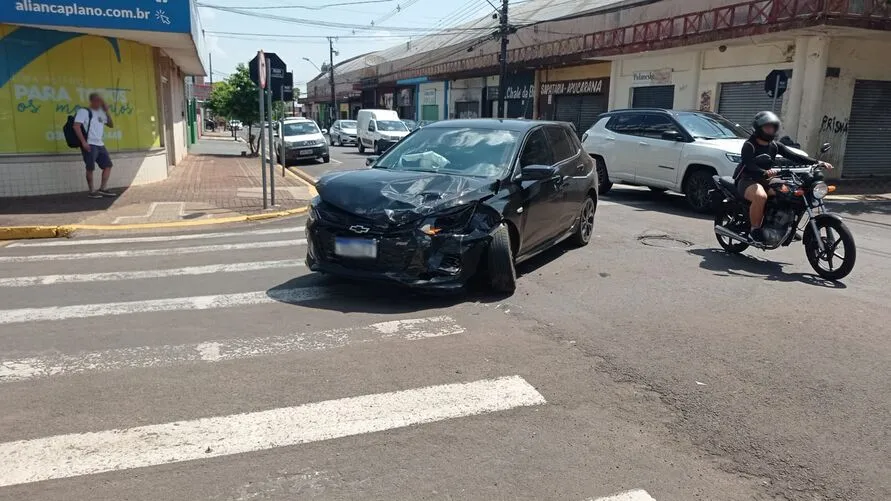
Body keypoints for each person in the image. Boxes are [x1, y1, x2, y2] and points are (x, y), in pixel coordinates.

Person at [736, 111, 831, 242]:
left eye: (772, 127)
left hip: (765, 181)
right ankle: (754, 230)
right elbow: (749, 164)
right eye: (766, 127)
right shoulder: (749, 145)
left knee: (787, 194)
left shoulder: (774, 145)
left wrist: (817, 162)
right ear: (759, 128)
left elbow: (794, 156)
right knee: (761, 196)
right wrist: (763, 171)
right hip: (747, 180)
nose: (770, 130)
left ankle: (783, 227)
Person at [73, 93, 117, 198]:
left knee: (108, 165)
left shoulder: (101, 113)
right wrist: (83, 142)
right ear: (92, 101)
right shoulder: (84, 111)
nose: (100, 103)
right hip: (89, 143)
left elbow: (111, 124)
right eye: (98, 100)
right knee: (90, 167)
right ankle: (92, 191)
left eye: (101, 101)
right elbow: (76, 126)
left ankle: (103, 188)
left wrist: (106, 111)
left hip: (100, 143)